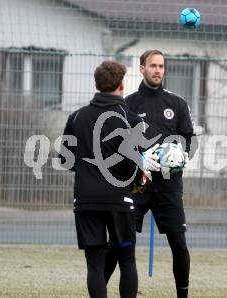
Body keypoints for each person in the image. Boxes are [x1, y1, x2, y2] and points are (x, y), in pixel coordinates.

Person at [60, 60, 148, 298]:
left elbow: (65, 161)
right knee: (127, 260)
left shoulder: (76, 118)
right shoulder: (132, 120)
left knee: (95, 264)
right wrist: (140, 179)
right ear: (121, 85)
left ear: (96, 84)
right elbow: (137, 164)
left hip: (86, 201)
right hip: (120, 202)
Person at [125, 49, 197, 298]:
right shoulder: (128, 104)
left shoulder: (176, 103)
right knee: (122, 242)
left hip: (169, 185)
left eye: (161, 66)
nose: (158, 70)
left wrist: (183, 155)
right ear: (141, 68)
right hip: (138, 183)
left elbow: (190, 140)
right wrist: (140, 158)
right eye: (153, 66)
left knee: (179, 244)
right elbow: (119, 145)